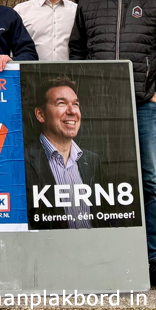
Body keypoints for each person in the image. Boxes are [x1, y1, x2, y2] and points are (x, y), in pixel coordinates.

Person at [69, 0, 156, 291]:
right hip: (101, 109)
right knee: (97, 179)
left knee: (151, 182)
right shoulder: (89, 2)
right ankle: (102, 257)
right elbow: (77, 51)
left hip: (144, 105)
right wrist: (85, 93)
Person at [24, 77, 102, 230]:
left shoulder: (92, 161)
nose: (72, 111)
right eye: (61, 103)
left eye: (76, 104)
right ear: (40, 114)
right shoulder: (23, 162)